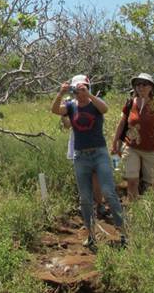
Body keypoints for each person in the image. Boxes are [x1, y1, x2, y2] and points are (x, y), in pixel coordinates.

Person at [51, 74, 126, 251]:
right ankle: (91, 235)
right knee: (85, 198)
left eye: (83, 88)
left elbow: (105, 109)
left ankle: (123, 232)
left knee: (108, 192)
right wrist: (60, 93)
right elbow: (55, 110)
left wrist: (89, 94)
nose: (80, 92)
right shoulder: (71, 106)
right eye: (77, 89)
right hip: (81, 156)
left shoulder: (95, 104)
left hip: (99, 153)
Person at [111, 73, 154, 200]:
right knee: (132, 181)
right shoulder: (131, 103)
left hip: (152, 149)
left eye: (144, 84)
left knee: (151, 185)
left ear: (151, 87)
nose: (140, 87)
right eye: (138, 84)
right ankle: (133, 207)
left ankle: (149, 209)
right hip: (131, 147)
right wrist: (115, 142)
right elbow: (122, 123)